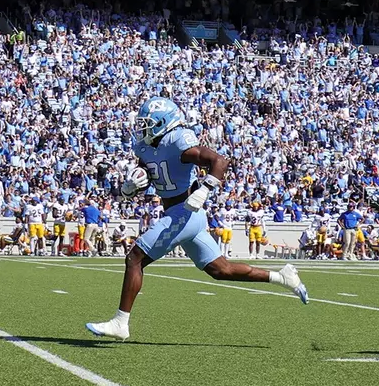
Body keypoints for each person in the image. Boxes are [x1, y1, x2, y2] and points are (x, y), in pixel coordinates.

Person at [86, 98, 308, 341]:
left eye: (148, 124)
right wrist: (131, 187)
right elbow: (151, 173)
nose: (143, 129)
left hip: (185, 211)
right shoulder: (145, 147)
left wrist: (204, 190)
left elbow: (219, 161)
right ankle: (283, 277)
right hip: (180, 213)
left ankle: (120, 322)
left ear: (164, 123)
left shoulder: (177, 139)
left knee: (135, 258)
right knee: (221, 270)